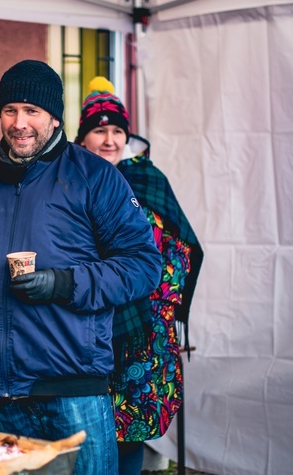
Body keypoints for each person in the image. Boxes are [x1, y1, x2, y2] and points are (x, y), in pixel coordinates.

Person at [0, 60, 162, 475]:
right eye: (10, 110)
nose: (19, 123)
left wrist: (64, 283)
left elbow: (144, 265)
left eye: (32, 111)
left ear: (54, 118)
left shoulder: (95, 176)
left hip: (73, 395)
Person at [76, 77, 204, 475]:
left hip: (141, 331)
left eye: (117, 131)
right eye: (100, 130)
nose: (110, 139)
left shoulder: (148, 180)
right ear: (83, 138)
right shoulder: (70, 181)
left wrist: (156, 308)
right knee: (87, 432)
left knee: (129, 429)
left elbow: (179, 249)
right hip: (83, 327)